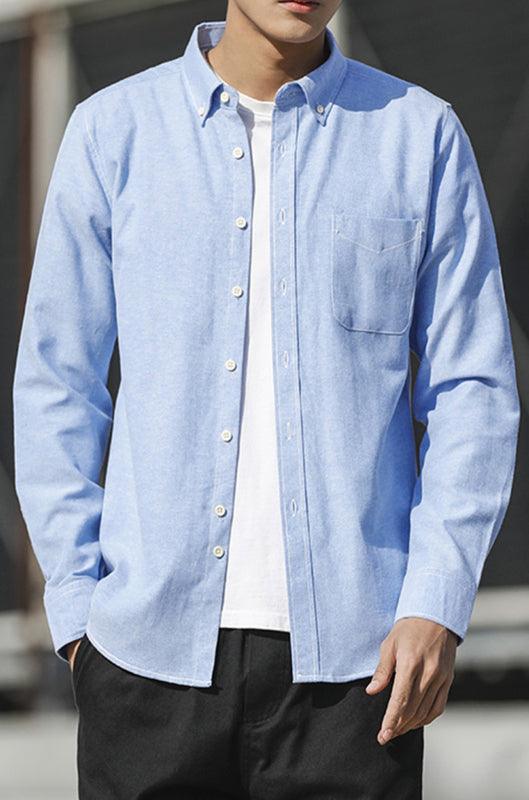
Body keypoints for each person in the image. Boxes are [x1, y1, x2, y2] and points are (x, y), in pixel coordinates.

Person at [13, 1, 520, 798]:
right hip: (144, 660)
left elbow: (472, 389)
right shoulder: (113, 131)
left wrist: (436, 602)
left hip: (358, 670)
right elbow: (57, 383)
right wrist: (79, 615)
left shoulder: (417, 134)